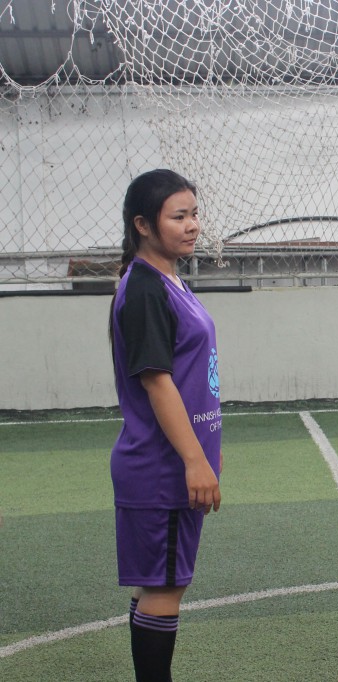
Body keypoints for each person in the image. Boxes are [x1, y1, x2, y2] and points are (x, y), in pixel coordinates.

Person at [109, 169, 223, 682]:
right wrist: (194, 461)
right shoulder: (147, 288)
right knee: (163, 589)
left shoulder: (171, 280)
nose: (192, 225)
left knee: (155, 585)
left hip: (169, 464)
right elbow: (157, 383)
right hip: (163, 469)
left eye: (194, 214)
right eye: (178, 217)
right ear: (143, 225)